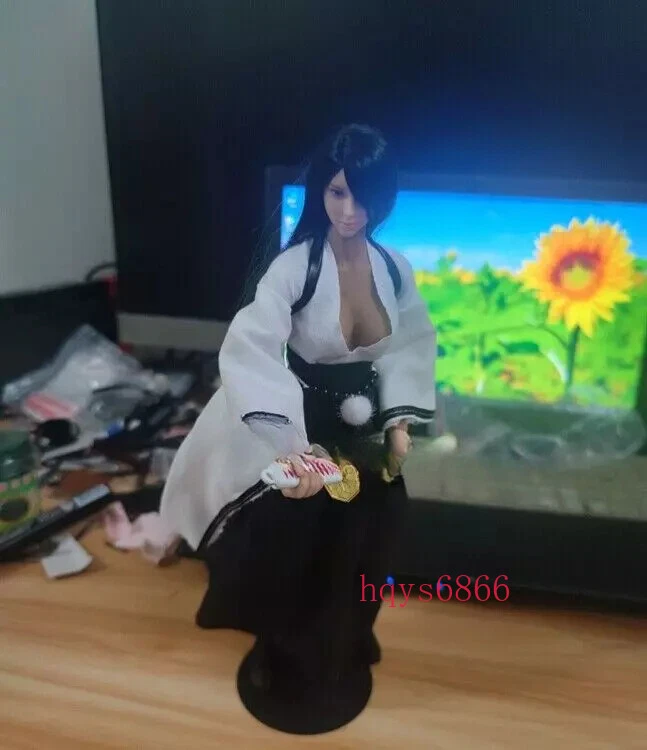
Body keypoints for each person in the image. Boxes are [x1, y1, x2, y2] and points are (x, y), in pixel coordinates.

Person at [159, 123, 436, 733]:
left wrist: (399, 420)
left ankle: (345, 644)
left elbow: (410, 344)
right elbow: (252, 346)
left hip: (366, 436)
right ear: (319, 193)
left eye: (363, 195)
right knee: (298, 553)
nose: (349, 209)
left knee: (370, 542)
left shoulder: (394, 269)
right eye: (337, 192)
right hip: (306, 426)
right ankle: (288, 659)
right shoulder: (295, 269)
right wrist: (289, 446)